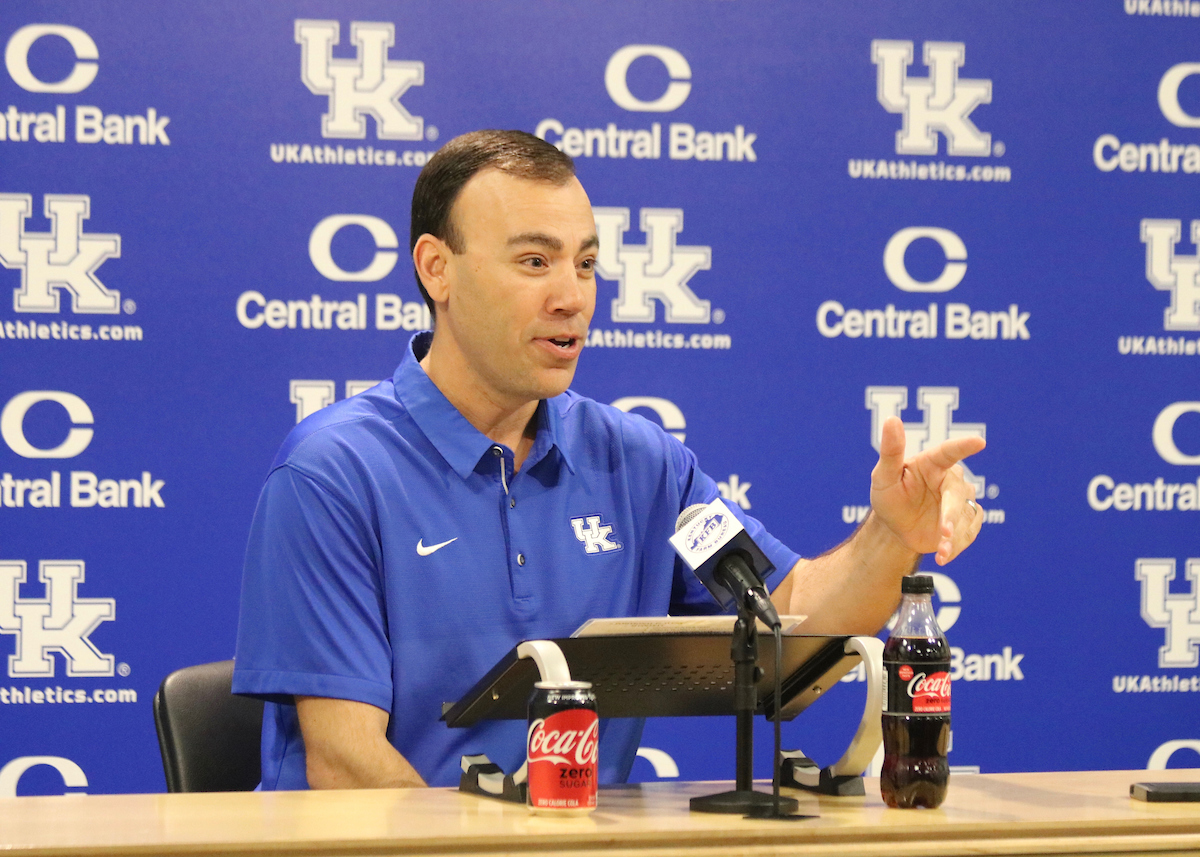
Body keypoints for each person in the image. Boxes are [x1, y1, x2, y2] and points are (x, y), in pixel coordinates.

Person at [232, 130, 985, 791]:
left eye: (586, 264)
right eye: (535, 261)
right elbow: (345, 764)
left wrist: (890, 534)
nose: (572, 297)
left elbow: (795, 636)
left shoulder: (639, 463)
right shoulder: (333, 472)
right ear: (437, 270)